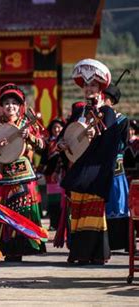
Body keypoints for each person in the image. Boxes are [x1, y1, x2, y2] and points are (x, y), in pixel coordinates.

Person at [58, 58, 121, 265]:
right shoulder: (78, 112)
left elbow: (111, 144)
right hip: (78, 166)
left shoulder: (107, 112)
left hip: (96, 168)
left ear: (100, 87)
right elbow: (66, 136)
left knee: (93, 210)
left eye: (93, 85)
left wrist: (97, 136)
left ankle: (95, 253)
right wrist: (63, 145)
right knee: (77, 209)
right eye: (86, 85)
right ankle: (78, 252)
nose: (89, 89)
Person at [0, 83, 46, 261]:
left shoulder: (27, 124)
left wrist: (30, 138)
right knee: (4, 211)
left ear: (20, 106)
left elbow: (42, 147)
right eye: (6, 103)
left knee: (23, 209)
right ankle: (7, 247)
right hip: (3, 175)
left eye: (14, 103)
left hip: (24, 174)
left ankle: (24, 247)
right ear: (1, 107)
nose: (10, 106)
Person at [103, 82, 130, 251]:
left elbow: (124, 143)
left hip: (117, 166)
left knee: (119, 200)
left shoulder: (122, 120)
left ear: (111, 101)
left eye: (104, 97)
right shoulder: (95, 117)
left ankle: (122, 241)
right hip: (101, 165)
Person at [38, 118, 67, 230]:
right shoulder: (48, 143)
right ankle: (54, 224)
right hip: (50, 176)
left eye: (59, 127)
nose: (57, 129)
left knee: (62, 201)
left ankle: (62, 225)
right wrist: (40, 171)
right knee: (52, 201)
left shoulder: (66, 140)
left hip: (63, 174)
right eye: (54, 127)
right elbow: (44, 159)